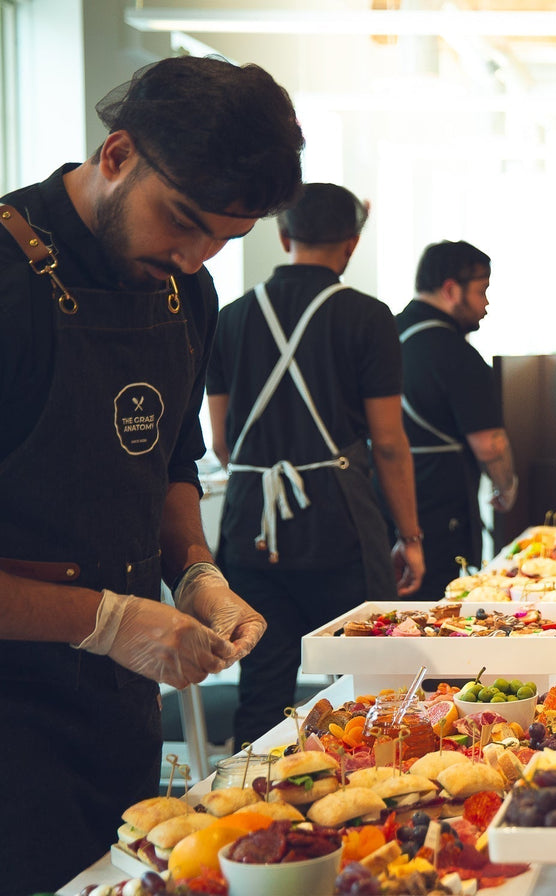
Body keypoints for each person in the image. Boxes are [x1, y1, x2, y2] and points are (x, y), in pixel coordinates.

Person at [0, 56, 299, 893]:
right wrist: (103, 620)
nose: (197, 257)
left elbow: (170, 463)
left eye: (225, 240)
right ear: (118, 154)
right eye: (183, 221)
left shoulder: (183, 292)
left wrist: (196, 571)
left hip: (119, 713)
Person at [207, 183, 425, 748]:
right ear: (351, 245)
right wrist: (410, 534)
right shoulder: (368, 317)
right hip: (341, 523)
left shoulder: (231, 318)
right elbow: (389, 442)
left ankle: (250, 804)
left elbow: (224, 444)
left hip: (252, 528)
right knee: (368, 675)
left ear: (283, 236)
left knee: (261, 680)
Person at [394, 240, 518, 598]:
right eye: (482, 291)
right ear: (451, 289)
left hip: (377, 508)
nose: (486, 304)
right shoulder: (456, 354)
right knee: (438, 615)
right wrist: (506, 487)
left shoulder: (383, 333)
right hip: (437, 514)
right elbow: (490, 443)